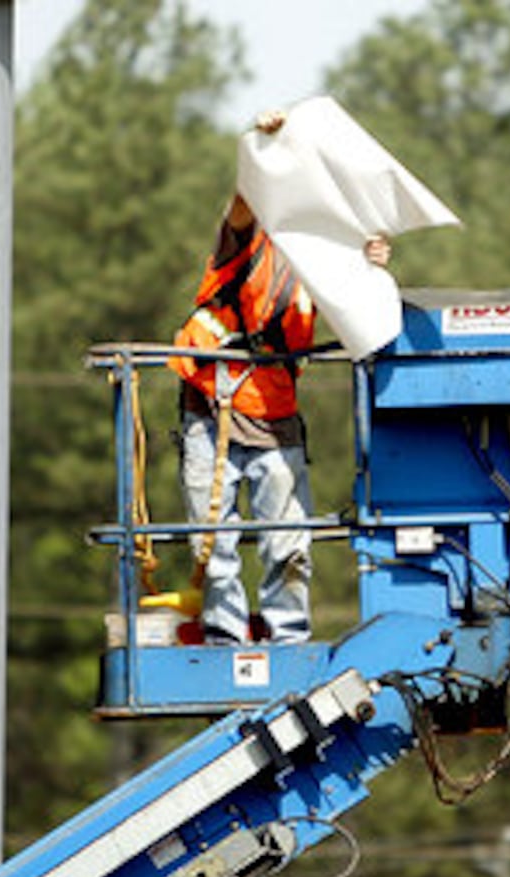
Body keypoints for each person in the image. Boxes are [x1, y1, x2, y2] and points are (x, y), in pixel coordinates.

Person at [168, 110, 391, 645]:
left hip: (275, 413)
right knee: (214, 543)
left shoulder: (333, 257)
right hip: (213, 410)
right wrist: (264, 147)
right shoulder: (246, 240)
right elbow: (243, 201)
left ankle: (286, 638)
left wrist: (374, 263)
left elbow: (366, 315)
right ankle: (226, 640)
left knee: (288, 545)